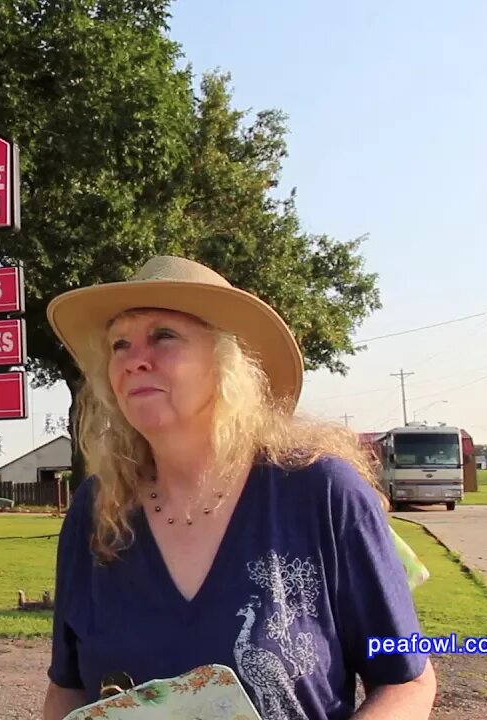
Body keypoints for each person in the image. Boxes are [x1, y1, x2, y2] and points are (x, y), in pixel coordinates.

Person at [40, 256, 437, 719]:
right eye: (119, 344)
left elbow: (407, 681)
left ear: (228, 361)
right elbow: (66, 691)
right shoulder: (95, 509)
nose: (134, 361)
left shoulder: (323, 492)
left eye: (163, 336)